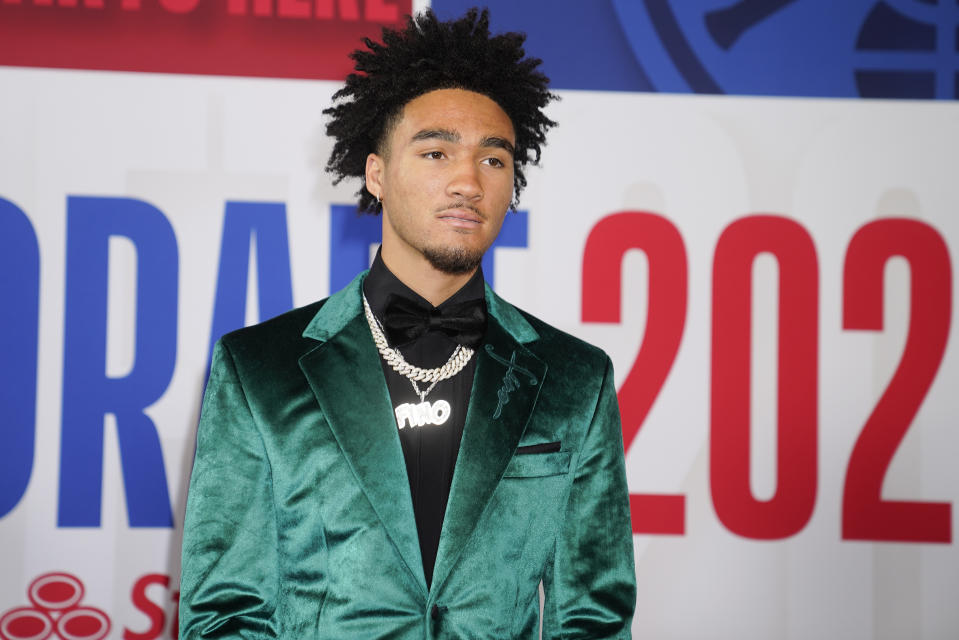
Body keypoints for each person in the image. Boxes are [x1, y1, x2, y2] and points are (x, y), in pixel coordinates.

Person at [179, 8, 635, 639]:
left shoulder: (575, 378)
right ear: (376, 174)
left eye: (494, 160)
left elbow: (593, 619)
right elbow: (225, 614)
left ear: (514, 186)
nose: (467, 181)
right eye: (435, 151)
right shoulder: (260, 367)